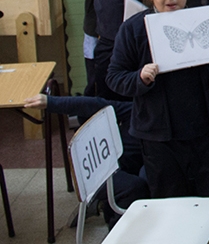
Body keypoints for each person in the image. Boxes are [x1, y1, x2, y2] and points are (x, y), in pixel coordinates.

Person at [106, 0, 209, 199]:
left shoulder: (206, 22)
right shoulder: (134, 29)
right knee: (170, 198)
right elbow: (114, 77)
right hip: (159, 136)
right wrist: (140, 78)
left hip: (207, 131)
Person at [23, 93, 149, 227]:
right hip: (99, 171)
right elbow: (93, 104)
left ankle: (106, 207)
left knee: (148, 179)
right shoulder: (138, 110)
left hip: (122, 167)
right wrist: (51, 102)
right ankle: (116, 232)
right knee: (137, 188)